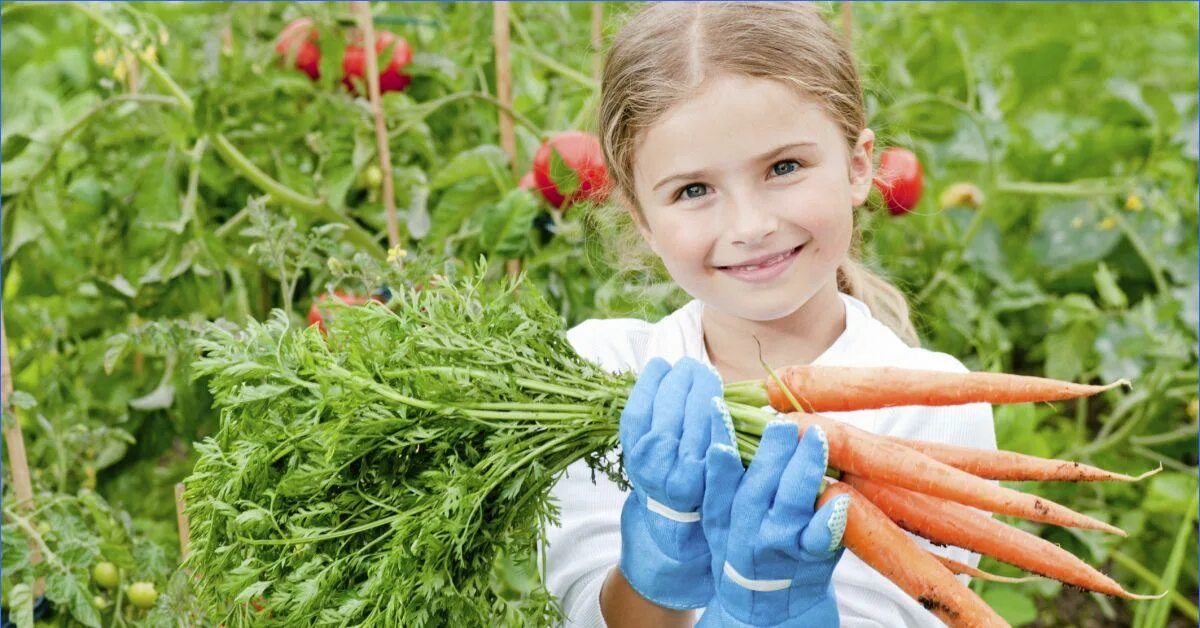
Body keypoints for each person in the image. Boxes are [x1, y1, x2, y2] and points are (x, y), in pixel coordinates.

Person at [544, 3, 996, 627]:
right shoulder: (599, 375)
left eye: (784, 168)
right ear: (643, 219)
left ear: (859, 166)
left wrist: (779, 613)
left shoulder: (935, 404)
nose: (751, 226)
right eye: (693, 190)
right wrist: (657, 565)